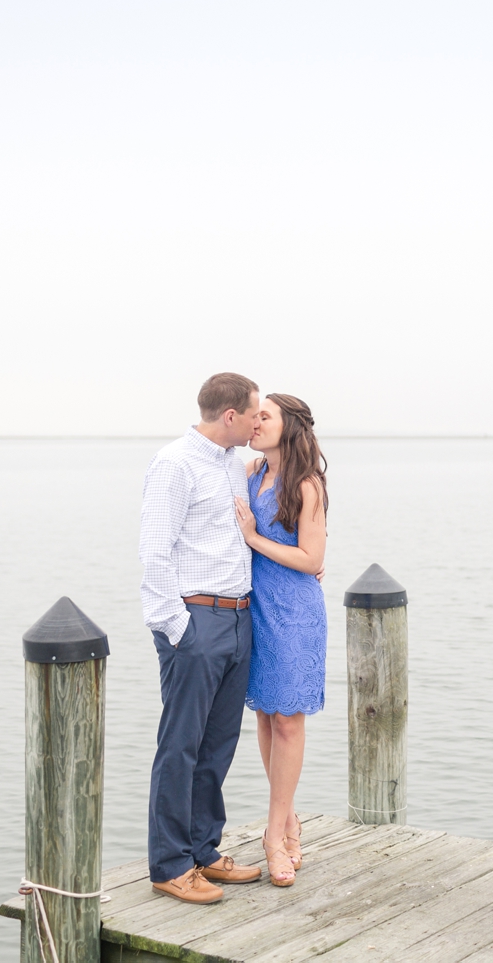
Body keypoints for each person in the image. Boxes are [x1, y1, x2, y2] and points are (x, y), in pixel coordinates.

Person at [138, 372, 265, 905]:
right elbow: (154, 551)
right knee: (181, 747)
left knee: (218, 745)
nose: (260, 421)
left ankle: (203, 851)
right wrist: (178, 628)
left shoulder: (234, 467)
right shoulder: (174, 464)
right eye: (255, 413)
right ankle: (169, 865)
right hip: (195, 621)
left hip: (238, 619)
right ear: (230, 416)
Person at [234, 393, 329, 888]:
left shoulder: (307, 485)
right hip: (255, 608)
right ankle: (288, 818)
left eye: (264, 416)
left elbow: (312, 560)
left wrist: (254, 539)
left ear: (288, 426)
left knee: (289, 719)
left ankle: (274, 835)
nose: (255, 422)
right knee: (267, 713)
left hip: (293, 612)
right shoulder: (250, 474)